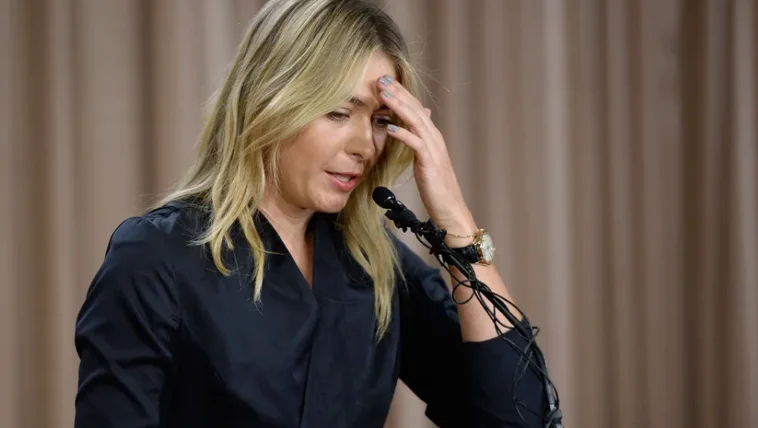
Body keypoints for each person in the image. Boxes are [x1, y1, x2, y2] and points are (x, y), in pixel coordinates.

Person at [73, 0, 545, 427]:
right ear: (268, 102)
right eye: (339, 113)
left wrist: (456, 223)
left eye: (381, 121)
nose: (365, 146)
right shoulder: (154, 256)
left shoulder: (376, 265)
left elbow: (521, 418)